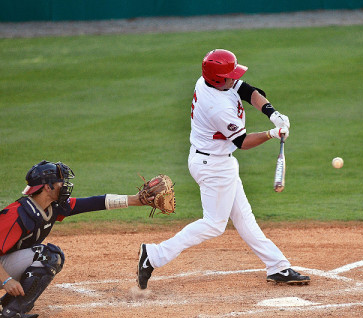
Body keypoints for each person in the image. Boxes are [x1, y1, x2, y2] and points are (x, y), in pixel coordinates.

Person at [137, 49, 310, 290]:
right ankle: (153, 255)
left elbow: (248, 91)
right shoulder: (217, 107)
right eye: (230, 75)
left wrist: (274, 114)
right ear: (219, 79)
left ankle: (278, 267)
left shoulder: (211, 81)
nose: (234, 78)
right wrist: (272, 134)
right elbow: (242, 142)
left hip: (216, 161)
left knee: (244, 217)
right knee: (214, 224)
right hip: (213, 166)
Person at [0, 160, 146, 318]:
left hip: (5, 264)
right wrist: (7, 280)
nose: (64, 186)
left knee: (54, 256)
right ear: (47, 187)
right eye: (60, 182)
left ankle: (8, 305)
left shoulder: (53, 207)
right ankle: (11, 313)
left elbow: (92, 203)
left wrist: (136, 200)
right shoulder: (16, 215)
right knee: (46, 255)